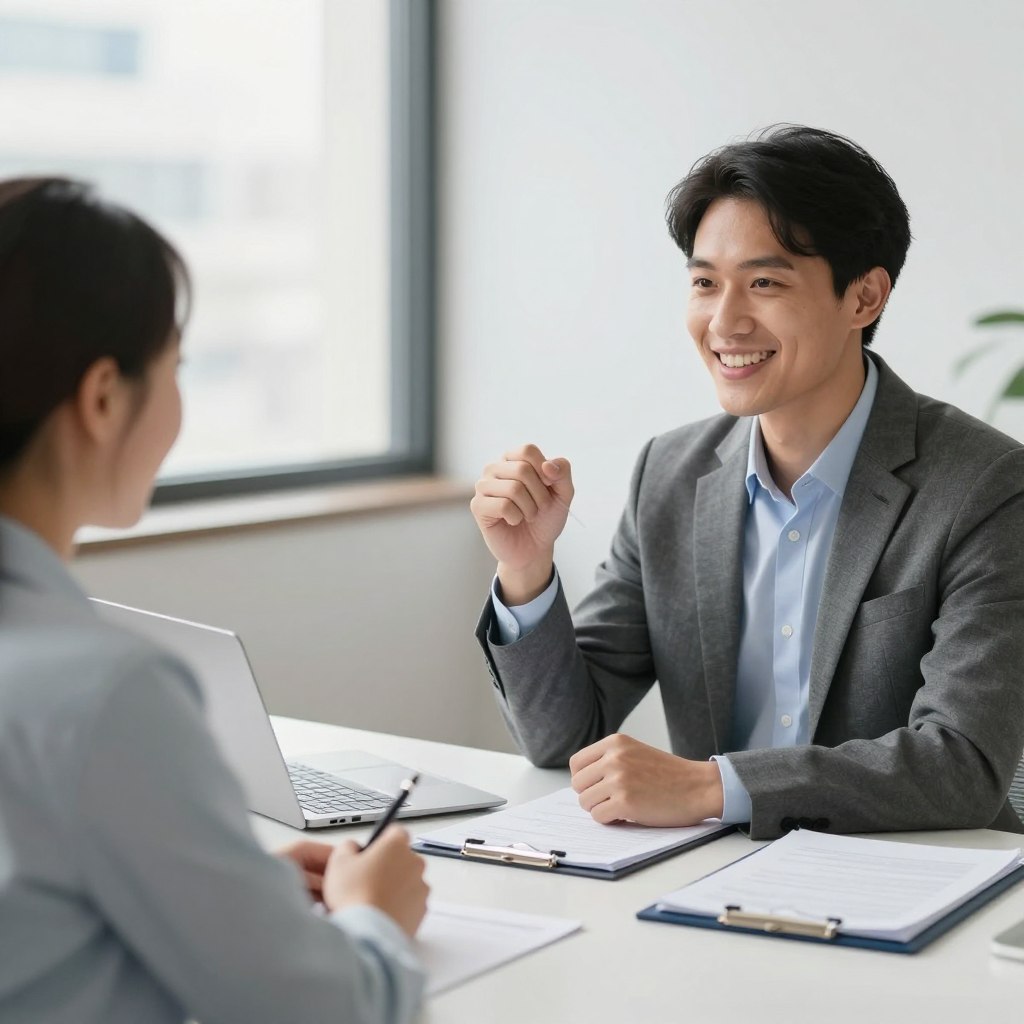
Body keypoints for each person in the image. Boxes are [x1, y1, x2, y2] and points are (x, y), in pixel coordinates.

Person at [471, 125, 1024, 841]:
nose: (724, 321)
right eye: (705, 283)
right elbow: (562, 738)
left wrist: (712, 786)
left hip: (909, 880)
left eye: (764, 282)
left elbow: (962, 765)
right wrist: (525, 569)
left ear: (864, 298)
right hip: (708, 873)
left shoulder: (985, 487)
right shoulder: (669, 475)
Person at [0, 178, 428, 1023]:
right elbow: (325, 1010)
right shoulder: (106, 691)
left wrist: (230, 887)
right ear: (101, 398)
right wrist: (376, 916)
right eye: (176, 368)